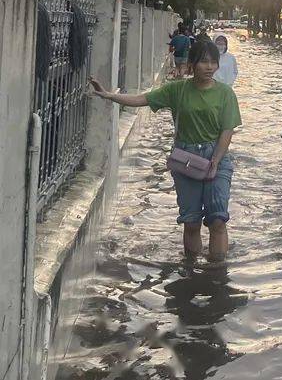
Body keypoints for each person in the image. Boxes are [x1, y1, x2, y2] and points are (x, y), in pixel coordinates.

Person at [89, 40, 241, 260]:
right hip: (186, 160)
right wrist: (110, 96)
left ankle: (217, 274)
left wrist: (216, 160)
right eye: (203, 62)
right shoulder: (177, 90)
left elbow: (227, 131)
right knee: (190, 221)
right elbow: (143, 99)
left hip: (216, 158)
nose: (209, 67)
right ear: (192, 64)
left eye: (213, 63)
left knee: (217, 219)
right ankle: (191, 270)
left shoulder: (226, 94)